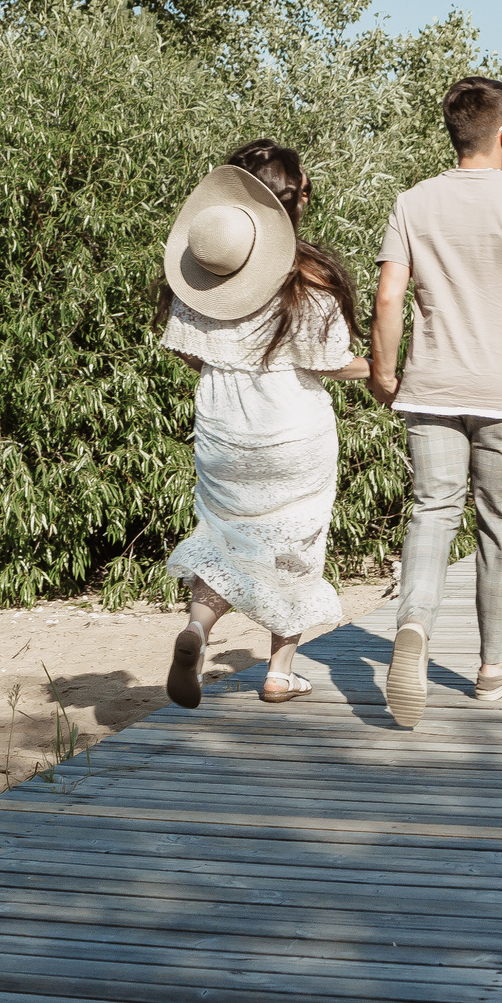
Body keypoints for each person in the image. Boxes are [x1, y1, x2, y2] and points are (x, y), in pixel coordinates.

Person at [368, 76, 502, 730]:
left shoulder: (412, 204)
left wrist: (385, 372)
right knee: (500, 521)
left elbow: (387, 299)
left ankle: (413, 624)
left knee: (432, 511)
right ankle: (493, 667)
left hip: (431, 389)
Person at [157, 140, 370, 709]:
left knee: (225, 539)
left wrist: (232, 364)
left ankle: (197, 631)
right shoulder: (309, 279)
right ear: (293, 205)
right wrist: (378, 369)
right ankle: (279, 672)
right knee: (293, 545)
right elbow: (328, 362)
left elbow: (189, 352)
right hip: (293, 429)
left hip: (224, 428)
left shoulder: (200, 275)